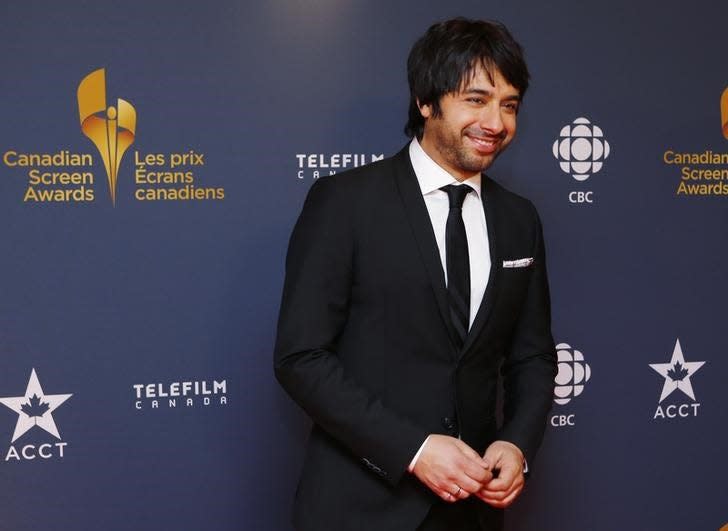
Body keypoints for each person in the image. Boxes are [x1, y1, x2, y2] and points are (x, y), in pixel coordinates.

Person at [274, 17, 557, 531]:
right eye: (476, 99)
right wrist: (414, 449)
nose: (496, 122)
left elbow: (533, 354)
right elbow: (301, 356)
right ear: (427, 102)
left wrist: (516, 443)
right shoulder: (345, 202)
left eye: (509, 104)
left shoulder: (520, 219)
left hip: (472, 509)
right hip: (360, 506)